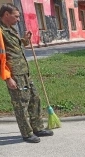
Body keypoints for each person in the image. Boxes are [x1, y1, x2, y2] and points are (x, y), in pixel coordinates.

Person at [0, 3, 53, 143]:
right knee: (21, 104)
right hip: (14, 75)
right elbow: (1, 57)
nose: (18, 19)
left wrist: (24, 40)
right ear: (6, 14)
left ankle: (37, 128)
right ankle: (27, 133)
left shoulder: (10, 29)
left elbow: (15, 47)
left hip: (24, 72)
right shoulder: (0, 31)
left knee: (35, 98)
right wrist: (8, 78)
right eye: (16, 16)